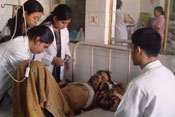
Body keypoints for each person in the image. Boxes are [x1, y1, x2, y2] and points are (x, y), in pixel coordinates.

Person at [114, 28, 175, 117]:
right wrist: (129, 90)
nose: (130, 53)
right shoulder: (169, 75)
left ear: (138, 50)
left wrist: (132, 90)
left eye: (131, 48)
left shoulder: (138, 85)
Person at [0, 25, 54, 107]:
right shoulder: (20, 50)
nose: (44, 51)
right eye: (45, 47)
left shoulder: (24, 43)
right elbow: (26, 78)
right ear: (37, 40)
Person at [35, 4, 72, 82]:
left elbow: (65, 45)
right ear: (55, 18)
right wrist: (52, 59)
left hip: (59, 68)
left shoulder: (64, 30)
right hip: (46, 66)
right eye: (63, 22)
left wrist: (67, 56)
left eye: (67, 23)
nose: (65, 26)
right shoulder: (44, 29)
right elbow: (36, 51)